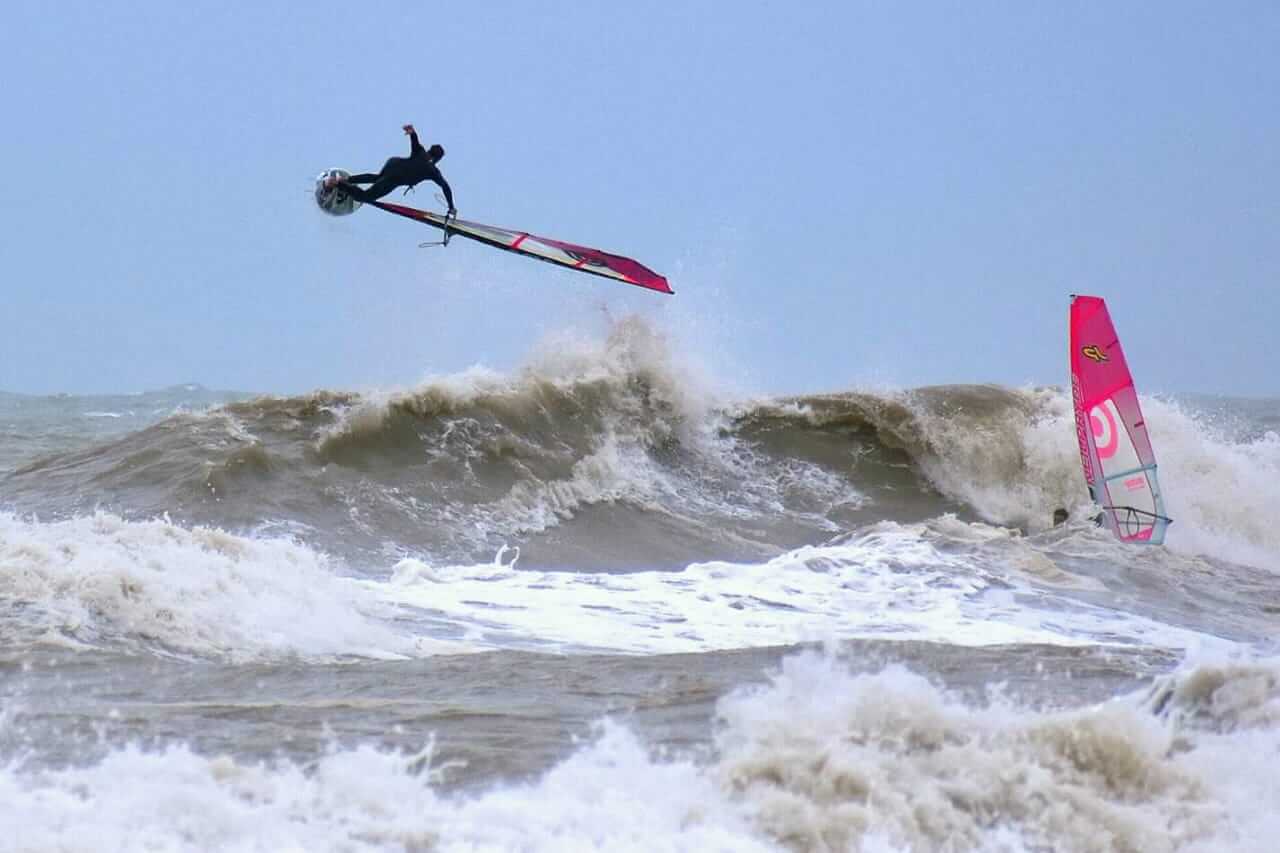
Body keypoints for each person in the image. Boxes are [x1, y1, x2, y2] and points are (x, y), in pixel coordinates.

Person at [325, 124, 455, 215]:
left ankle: (347, 179)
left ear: (430, 150)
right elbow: (446, 187)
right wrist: (451, 207)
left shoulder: (420, 152)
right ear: (438, 159)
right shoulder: (432, 171)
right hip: (395, 178)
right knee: (365, 196)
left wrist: (412, 132)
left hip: (393, 164)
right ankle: (338, 183)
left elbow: (415, 140)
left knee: (377, 178)